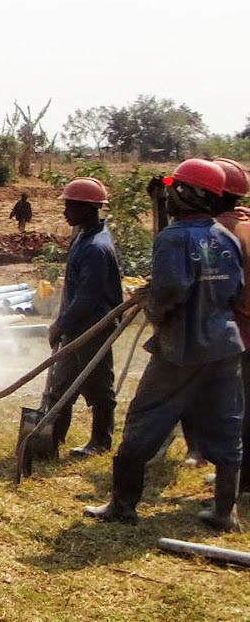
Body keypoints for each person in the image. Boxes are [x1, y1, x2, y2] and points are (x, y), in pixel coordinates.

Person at [85, 158, 244, 530]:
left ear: (189, 193)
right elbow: (234, 290)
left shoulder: (173, 238)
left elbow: (172, 288)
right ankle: (224, 512)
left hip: (182, 349)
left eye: (174, 187)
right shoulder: (226, 237)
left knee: (143, 421)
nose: (168, 194)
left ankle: (122, 507)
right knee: (226, 425)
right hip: (224, 345)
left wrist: (153, 307)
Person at [39, 177, 122, 458]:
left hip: (93, 328)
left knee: (98, 388)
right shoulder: (84, 237)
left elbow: (88, 297)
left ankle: (101, 441)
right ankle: (51, 438)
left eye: (70, 206)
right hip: (77, 327)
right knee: (60, 385)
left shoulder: (95, 248)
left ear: (88, 208)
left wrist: (60, 325)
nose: (64, 212)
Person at [212, 158, 250, 498]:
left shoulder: (223, 232)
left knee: (239, 408)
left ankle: (242, 481)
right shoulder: (245, 223)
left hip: (242, 330)